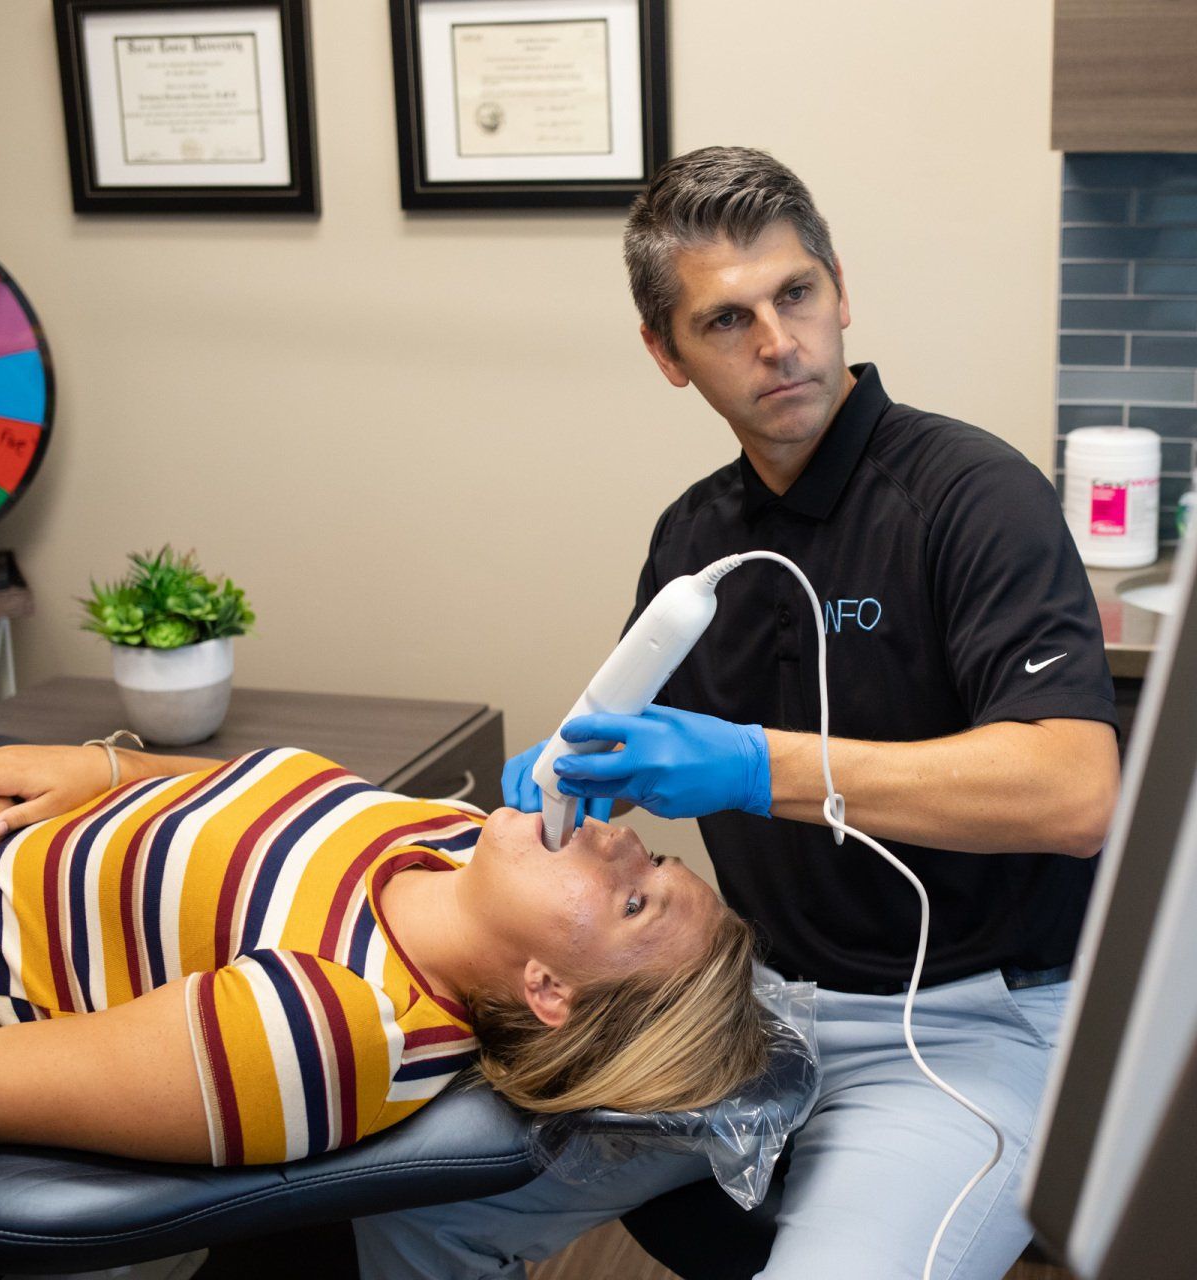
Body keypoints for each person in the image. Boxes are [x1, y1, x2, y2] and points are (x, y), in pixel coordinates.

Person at [348, 146, 1123, 1278]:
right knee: (419, 1205)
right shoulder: (693, 543)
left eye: (795, 295)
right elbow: (629, 767)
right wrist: (580, 769)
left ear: (840, 290)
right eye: (725, 321)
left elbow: (1075, 792)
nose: (778, 344)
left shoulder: (972, 497)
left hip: (968, 1027)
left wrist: (756, 764)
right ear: (667, 354)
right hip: (748, 1005)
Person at [0, 708, 767, 1166]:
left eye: (636, 902)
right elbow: (256, 802)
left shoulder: (335, 1027)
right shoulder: (463, 845)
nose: (631, 846)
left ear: (550, 990)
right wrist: (97, 772)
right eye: (663, 863)